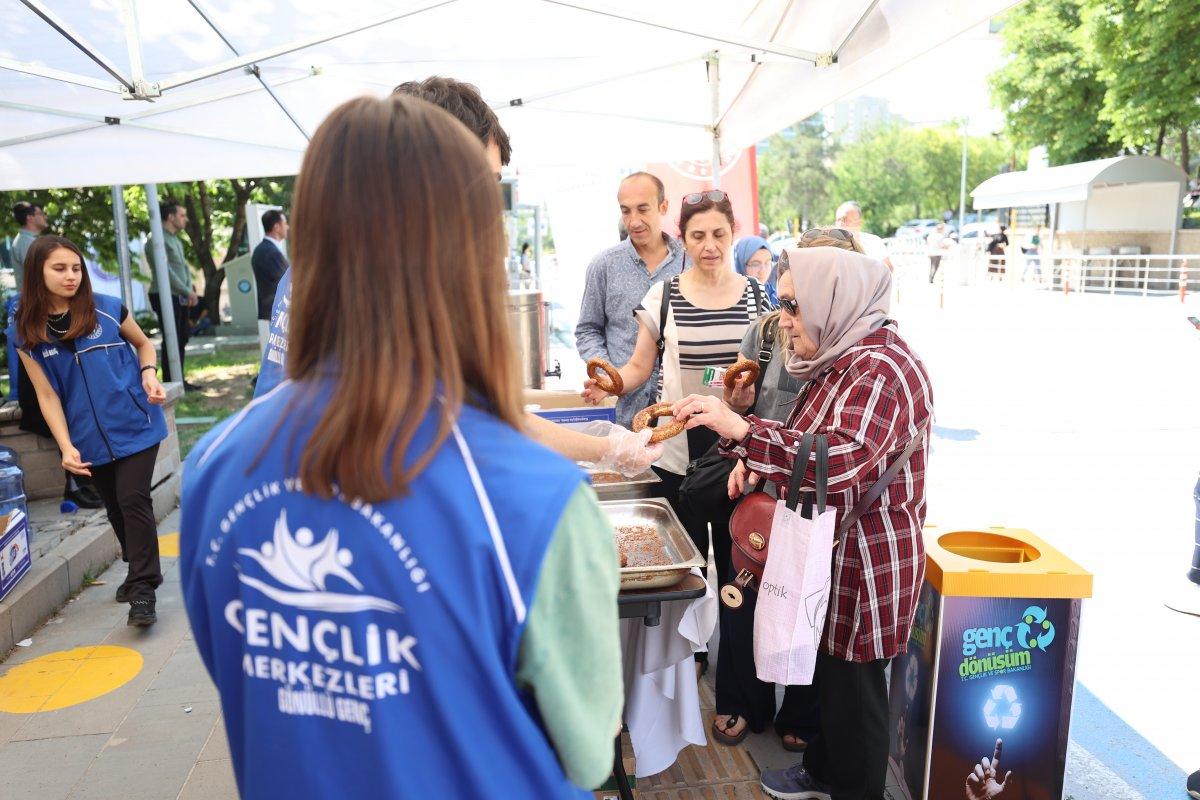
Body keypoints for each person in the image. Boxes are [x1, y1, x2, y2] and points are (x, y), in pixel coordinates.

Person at [181, 94, 624, 799]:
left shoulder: (213, 463)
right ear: (474, 248)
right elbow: (587, 751)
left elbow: (234, 673)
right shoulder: (536, 500)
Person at [252, 76, 661, 476]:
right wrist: (610, 449)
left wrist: (574, 404)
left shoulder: (347, 252)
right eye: (483, 182)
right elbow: (473, 415)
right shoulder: (386, 277)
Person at [671, 245, 933, 800]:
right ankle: (822, 770)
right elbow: (804, 435)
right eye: (780, 302)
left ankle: (854, 787)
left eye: (792, 304)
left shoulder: (881, 367)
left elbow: (837, 464)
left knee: (857, 696)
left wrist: (743, 434)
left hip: (867, 561)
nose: (783, 318)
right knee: (832, 680)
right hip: (827, 550)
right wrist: (751, 458)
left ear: (831, 300)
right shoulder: (841, 356)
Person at [709, 228, 864, 750]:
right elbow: (741, 406)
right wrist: (739, 406)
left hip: (820, 496)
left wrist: (750, 436)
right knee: (742, 597)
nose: (796, 310)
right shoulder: (769, 330)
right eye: (791, 297)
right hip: (761, 483)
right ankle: (741, 700)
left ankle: (801, 710)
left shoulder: (859, 346)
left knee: (805, 603)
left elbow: (844, 445)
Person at [583, 189, 769, 610]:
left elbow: (768, 374)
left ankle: (733, 666)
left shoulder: (760, 298)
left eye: (719, 234)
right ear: (682, 238)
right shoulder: (662, 296)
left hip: (736, 457)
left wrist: (748, 396)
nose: (709, 245)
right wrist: (612, 386)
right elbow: (637, 369)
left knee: (738, 567)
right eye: (698, 235)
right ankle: (690, 663)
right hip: (676, 455)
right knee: (684, 576)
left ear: (733, 233)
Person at [15, 235, 168, 627]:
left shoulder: (107, 309)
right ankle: (136, 567)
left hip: (136, 422)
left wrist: (148, 374)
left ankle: (143, 590)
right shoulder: (27, 330)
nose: (71, 276)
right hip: (87, 437)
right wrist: (65, 446)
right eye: (60, 268)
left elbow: (145, 346)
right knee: (115, 507)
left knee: (133, 500)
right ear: (37, 272)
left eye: (76, 268)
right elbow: (46, 395)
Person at [576, 172, 688, 429]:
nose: (634, 221)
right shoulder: (604, 265)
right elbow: (587, 330)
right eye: (625, 211)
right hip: (623, 414)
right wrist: (610, 378)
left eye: (642, 209)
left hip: (679, 415)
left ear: (663, 207)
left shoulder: (689, 262)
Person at [147, 200, 199, 389]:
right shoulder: (156, 239)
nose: (185, 219)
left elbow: (182, 267)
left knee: (182, 336)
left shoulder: (175, 239)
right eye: (182, 215)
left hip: (180, 295)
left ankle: (179, 379)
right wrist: (186, 291)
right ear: (170, 217)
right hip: (164, 295)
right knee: (172, 337)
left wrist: (189, 289)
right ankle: (172, 381)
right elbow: (165, 272)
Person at [251, 209, 289, 353]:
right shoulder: (270, 252)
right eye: (285, 223)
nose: (288, 227)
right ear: (276, 227)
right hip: (281, 312)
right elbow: (288, 282)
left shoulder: (262, 250)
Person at [835, 201, 892, 271]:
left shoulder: (874, 241)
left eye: (845, 219)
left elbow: (888, 268)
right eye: (838, 220)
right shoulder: (829, 246)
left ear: (859, 223)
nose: (841, 224)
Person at [10, 201, 48, 291]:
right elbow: (36, 275)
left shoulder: (29, 240)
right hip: (36, 301)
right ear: (30, 218)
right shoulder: (26, 242)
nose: (45, 217)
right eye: (41, 214)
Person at [735, 236, 777, 307]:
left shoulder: (774, 295)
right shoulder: (732, 300)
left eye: (768, 263)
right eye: (755, 264)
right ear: (741, 265)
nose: (763, 271)